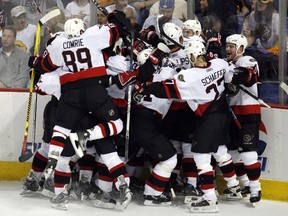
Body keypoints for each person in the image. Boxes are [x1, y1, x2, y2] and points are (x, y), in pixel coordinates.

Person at [30, 15, 136, 209]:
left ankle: (55, 180)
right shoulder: (93, 36)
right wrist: (116, 19)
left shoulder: (58, 46)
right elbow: (114, 31)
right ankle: (122, 185)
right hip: (95, 96)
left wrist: (36, 62)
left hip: (71, 100)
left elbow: (44, 68)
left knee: (60, 139)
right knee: (110, 143)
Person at [133, 41, 241, 213]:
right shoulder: (219, 63)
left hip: (208, 117)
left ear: (191, 56)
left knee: (200, 157)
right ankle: (234, 185)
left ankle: (209, 199)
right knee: (220, 150)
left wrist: (146, 88)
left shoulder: (190, 76)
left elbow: (166, 89)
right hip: (222, 112)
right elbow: (231, 76)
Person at [225, 34, 262, 204]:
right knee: (232, 152)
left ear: (240, 48)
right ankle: (246, 183)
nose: (228, 49)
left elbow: (248, 76)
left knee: (248, 153)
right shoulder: (228, 63)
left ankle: (256, 188)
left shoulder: (247, 60)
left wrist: (228, 72)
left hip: (248, 112)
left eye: (232, 46)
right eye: (227, 46)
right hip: (232, 112)